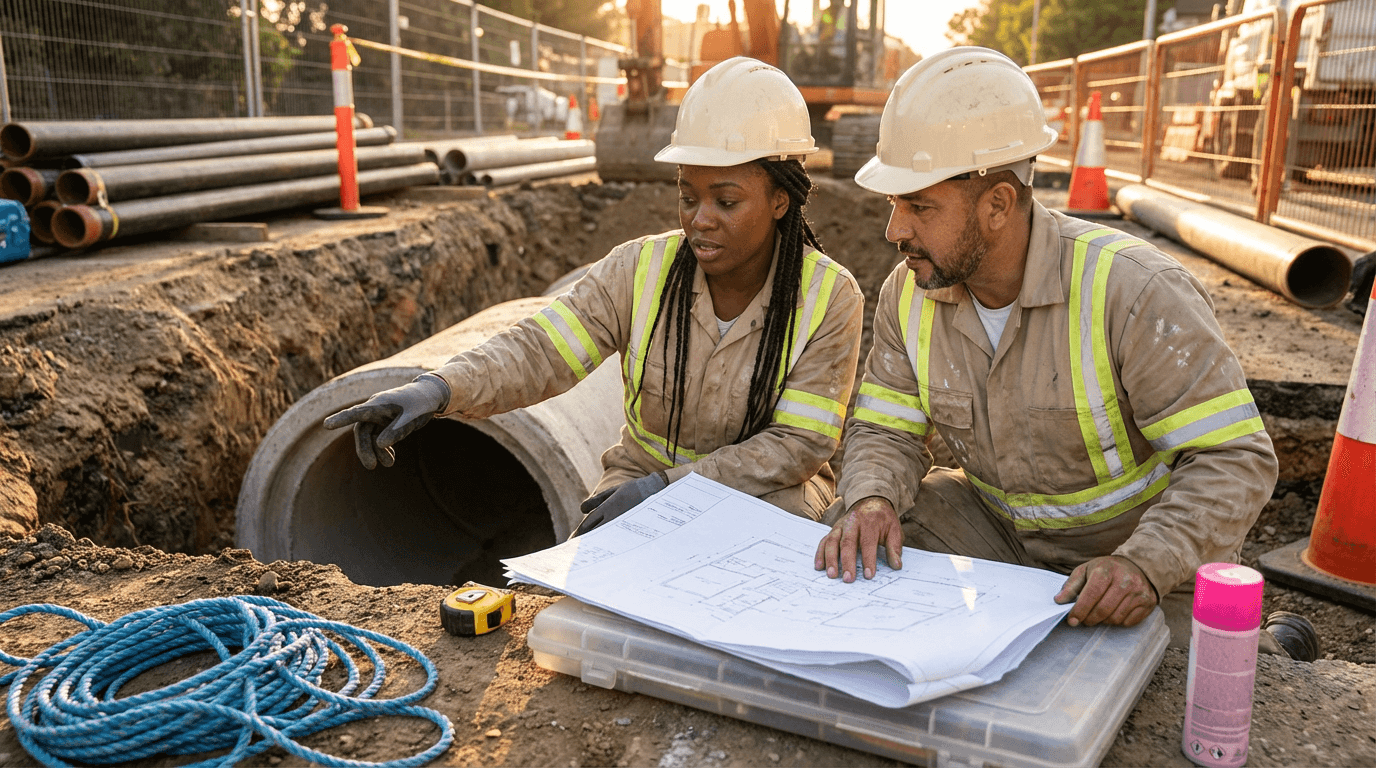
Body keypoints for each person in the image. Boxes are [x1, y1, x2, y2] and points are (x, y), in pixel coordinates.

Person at [812, 47, 1279, 647]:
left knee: (1183, 675)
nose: (895, 230)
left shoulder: (1133, 292)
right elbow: (886, 429)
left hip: (1129, 550)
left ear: (999, 204)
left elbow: (1234, 457)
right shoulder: (910, 291)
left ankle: (1278, 641)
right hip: (998, 530)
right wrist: (872, 498)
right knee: (849, 541)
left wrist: (1146, 565)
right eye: (894, 204)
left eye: (919, 206)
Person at [325, 57, 864, 536]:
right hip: (640, 480)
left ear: (779, 200)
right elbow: (540, 349)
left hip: (770, 493)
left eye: (725, 201)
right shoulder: (639, 270)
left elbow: (796, 446)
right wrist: (439, 389)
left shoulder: (828, 297)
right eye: (687, 196)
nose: (700, 220)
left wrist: (669, 492)